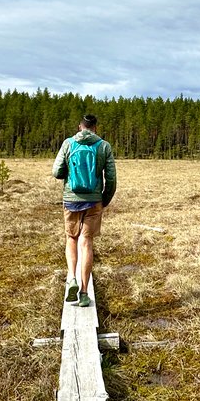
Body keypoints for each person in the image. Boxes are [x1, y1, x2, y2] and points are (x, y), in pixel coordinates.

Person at [52, 113, 116, 307]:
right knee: (86, 242)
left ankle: (71, 277)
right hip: (94, 200)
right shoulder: (104, 146)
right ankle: (85, 292)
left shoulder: (68, 143)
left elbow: (57, 172)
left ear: (81, 126)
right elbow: (111, 179)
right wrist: (104, 200)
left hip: (71, 199)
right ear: (95, 128)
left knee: (71, 238)